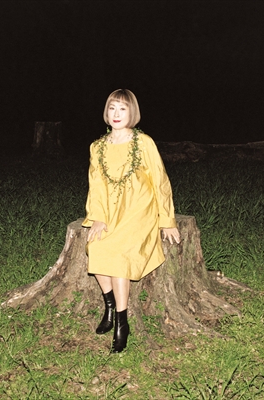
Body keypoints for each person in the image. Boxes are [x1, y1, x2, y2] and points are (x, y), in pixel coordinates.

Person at [82, 89, 180, 353]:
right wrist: (98, 217)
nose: (116, 114)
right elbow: (96, 185)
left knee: (120, 258)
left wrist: (167, 220)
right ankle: (110, 306)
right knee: (96, 247)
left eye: (122, 109)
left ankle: (122, 324)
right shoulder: (97, 147)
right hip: (110, 211)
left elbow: (160, 181)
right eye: (112, 108)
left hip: (139, 210)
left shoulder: (143, 143)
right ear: (106, 112)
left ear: (132, 113)